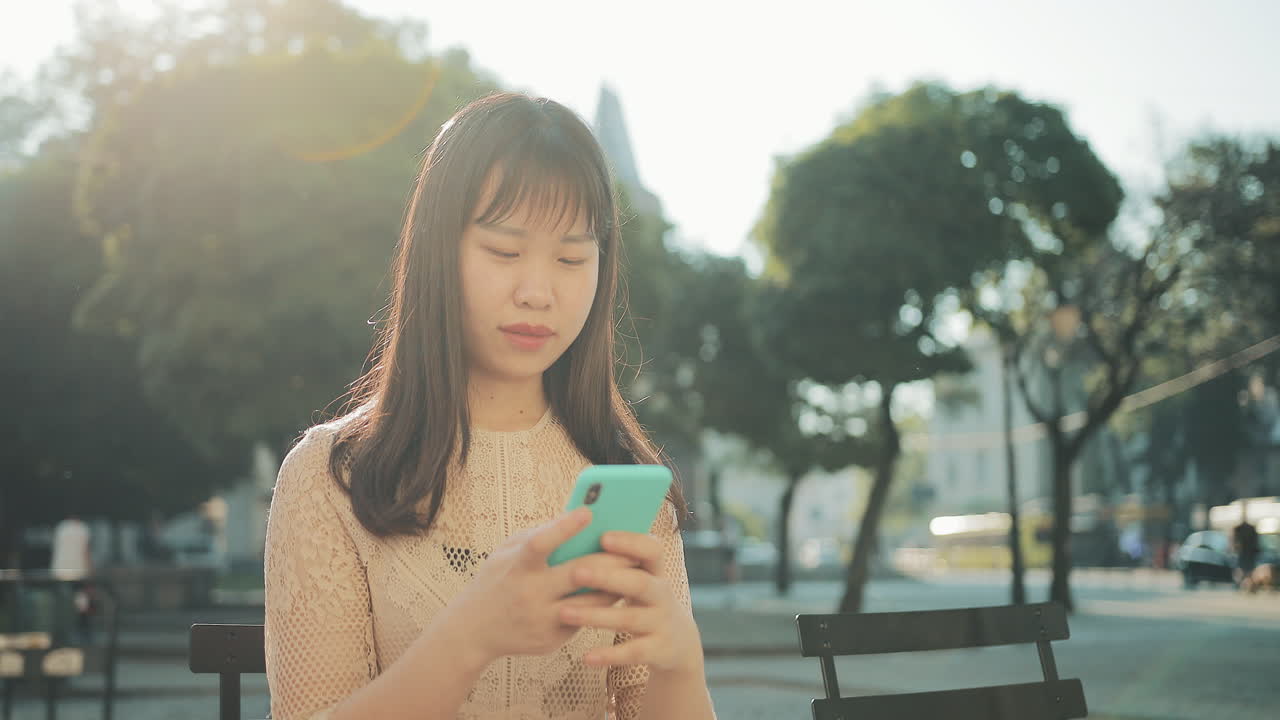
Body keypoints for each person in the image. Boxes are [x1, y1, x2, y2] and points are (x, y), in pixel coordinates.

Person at [263, 93, 717, 720]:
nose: (538, 292)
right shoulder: (332, 478)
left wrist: (681, 664)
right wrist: (470, 636)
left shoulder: (623, 482)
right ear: (437, 253)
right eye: (505, 252)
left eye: (571, 258)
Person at [49, 512, 93, 644]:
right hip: (77, 571)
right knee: (81, 601)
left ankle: (60, 632)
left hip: (59, 570)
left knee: (62, 601)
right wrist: (90, 570)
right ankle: (81, 630)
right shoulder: (83, 529)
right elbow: (86, 551)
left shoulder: (60, 528)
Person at [1233, 515, 1260, 586]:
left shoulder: (1243, 529)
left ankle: (1246, 584)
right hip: (1246, 554)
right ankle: (1245, 584)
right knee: (1245, 570)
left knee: (1246, 570)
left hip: (1247, 554)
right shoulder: (1240, 529)